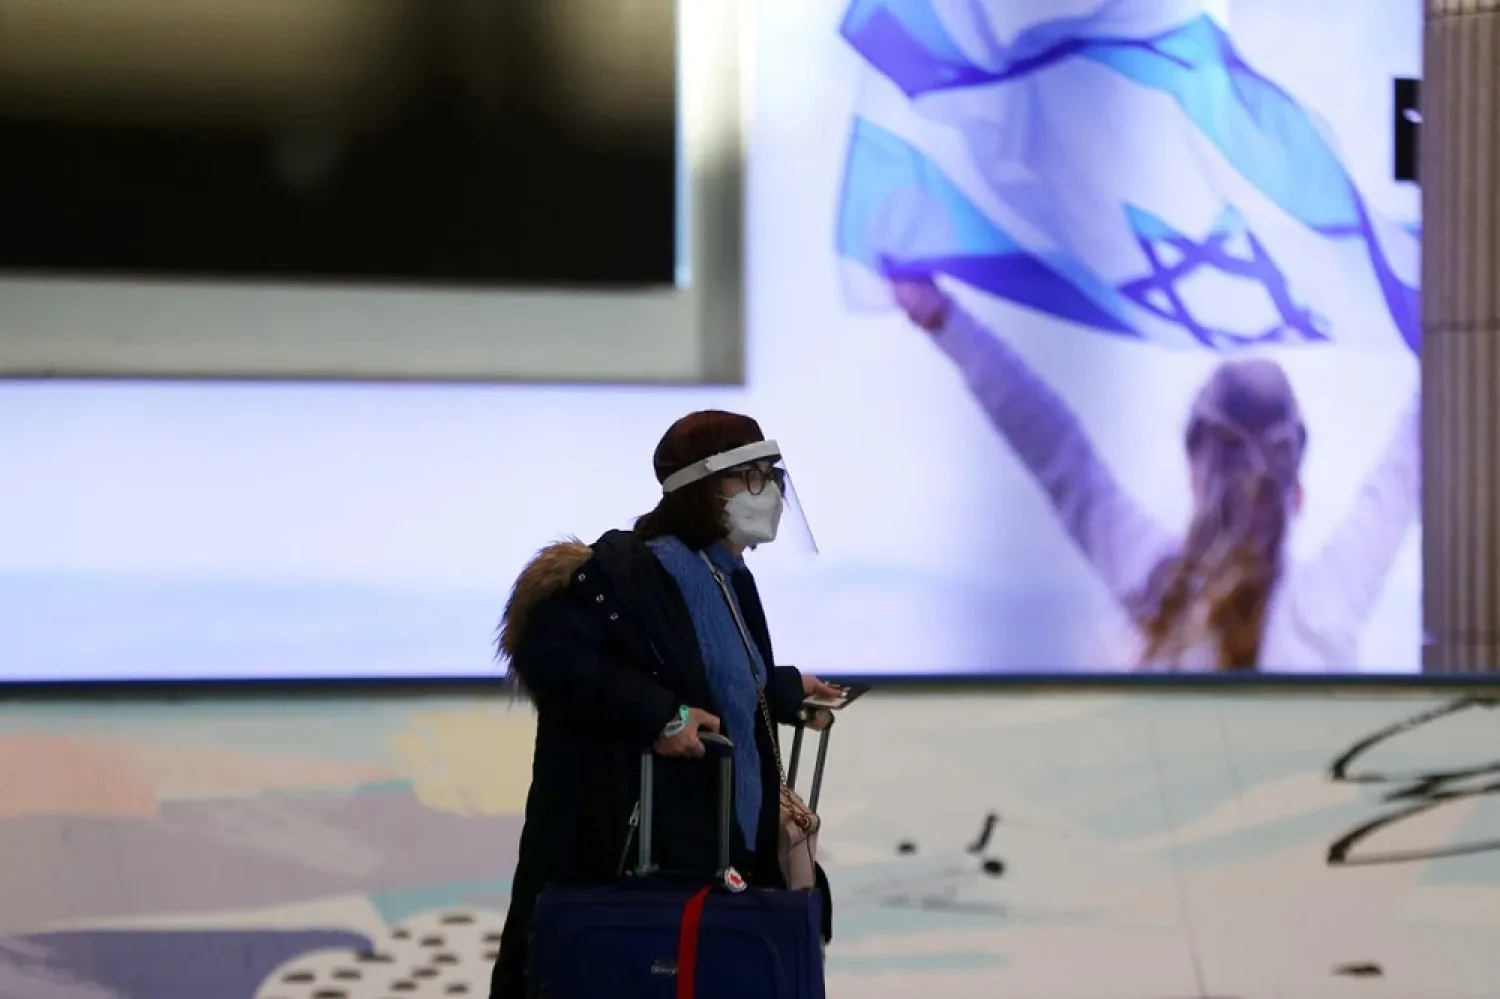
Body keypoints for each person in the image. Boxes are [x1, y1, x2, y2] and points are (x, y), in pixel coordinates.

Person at [894, 278, 1419, 671]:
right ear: (1296, 488)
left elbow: (1058, 452)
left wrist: (948, 322)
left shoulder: (1154, 586)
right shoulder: (1324, 607)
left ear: (1195, 474)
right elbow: (1411, 456)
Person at [490, 409, 839, 998]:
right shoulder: (623, 572)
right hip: (640, 851)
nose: (768, 490)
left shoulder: (729, 574)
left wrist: (781, 689)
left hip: (721, 841)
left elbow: (702, 675)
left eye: (770, 472)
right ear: (702, 489)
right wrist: (659, 715)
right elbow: (558, 659)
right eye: (748, 475)